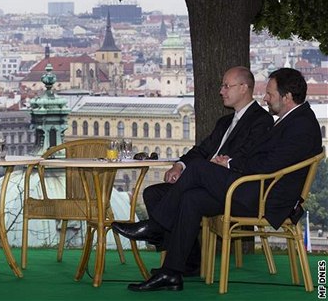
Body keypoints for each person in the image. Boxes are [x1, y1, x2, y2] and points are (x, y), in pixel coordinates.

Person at [115, 67, 322, 291]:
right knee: (191, 198)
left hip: (263, 197)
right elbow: (263, 159)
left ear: (288, 96)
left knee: (197, 170)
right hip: (252, 187)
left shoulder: (300, 124)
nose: (265, 98)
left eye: (270, 94)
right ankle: (172, 272)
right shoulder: (291, 120)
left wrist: (229, 163)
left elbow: (270, 164)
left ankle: (156, 226)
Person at [113, 66, 273, 275]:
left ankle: (156, 228)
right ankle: (189, 262)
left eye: (226, 86)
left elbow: (253, 158)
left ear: (244, 88)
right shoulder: (225, 121)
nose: (221, 91)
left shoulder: (261, 120)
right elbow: (201, 150)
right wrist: (180, 165)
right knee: (154, 193)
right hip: (211, 186)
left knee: (193, 186)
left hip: (237, 190)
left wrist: (226, 162)